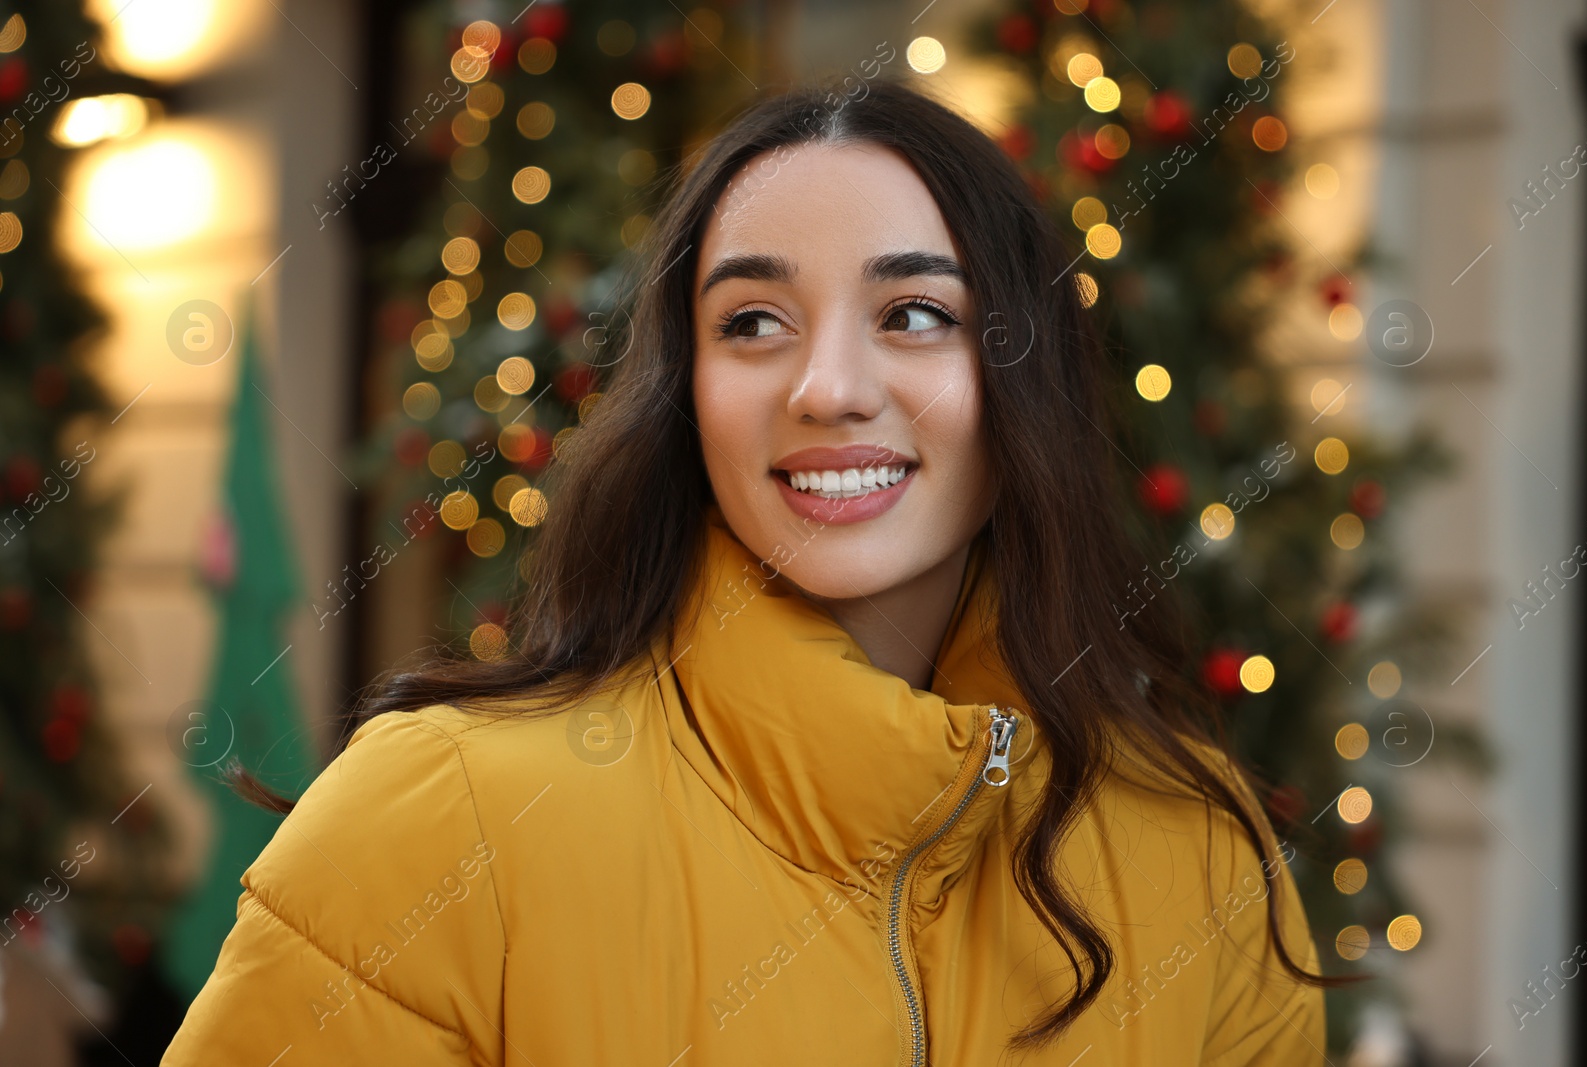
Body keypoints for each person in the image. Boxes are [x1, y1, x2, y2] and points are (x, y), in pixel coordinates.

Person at [161, 78, 1328, 1066]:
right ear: (687, 394)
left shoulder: (1203, 849)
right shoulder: (442, 816)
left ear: (1020, 373)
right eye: (753, 322)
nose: (826, 386)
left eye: (914, 312)